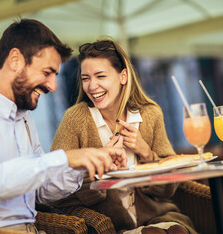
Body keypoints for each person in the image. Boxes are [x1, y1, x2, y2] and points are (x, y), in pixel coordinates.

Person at [0, 19, 126, 233]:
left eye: (55, 75)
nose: (53, 86)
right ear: (15, 60)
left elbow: (42, 191)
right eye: (47, 72)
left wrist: (85, 164)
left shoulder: (24, 118)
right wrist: (66, 157)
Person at [51, 39, 197, 234]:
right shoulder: (76, 119)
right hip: (108, 225)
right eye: (86, 78)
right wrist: (99, 166)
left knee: (178, 231)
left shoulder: (150, 114)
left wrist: (147, 155)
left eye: (100, 76)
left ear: (123, 76)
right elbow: (55, 188)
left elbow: (169, 189)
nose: (92, 86)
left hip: (159, 216)